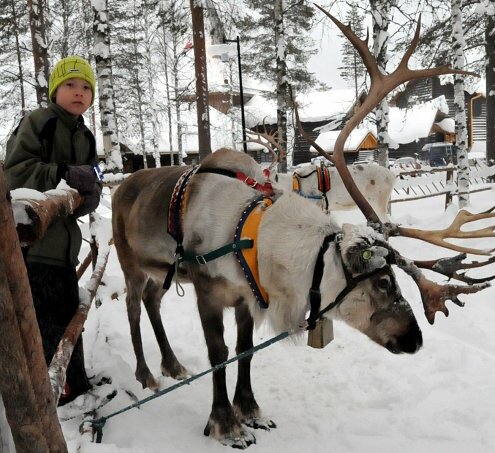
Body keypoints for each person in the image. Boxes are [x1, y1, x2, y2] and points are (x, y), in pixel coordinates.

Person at [4, 56, 102, 405]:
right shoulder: (38, 122)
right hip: (34, 244)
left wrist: (88, 196)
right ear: (54, 91)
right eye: (70, 85)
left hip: (63, 247)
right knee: (45, 321)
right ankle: (53, 392)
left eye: (86, 87)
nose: (79, 93)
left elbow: (89, 179)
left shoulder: (86, 135)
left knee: (68, 314)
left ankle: (75, 384)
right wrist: (61, 173)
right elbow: (15, 171)